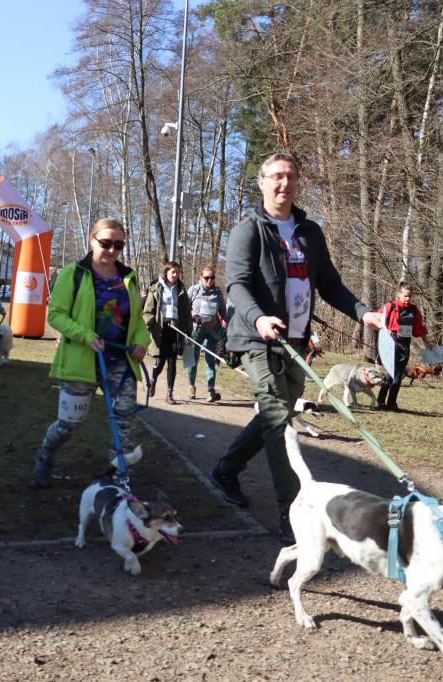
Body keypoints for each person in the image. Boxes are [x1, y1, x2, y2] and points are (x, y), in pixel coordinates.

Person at [207, 150, 383, 544]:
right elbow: (237, 285)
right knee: (277, 421)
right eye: (277, 176)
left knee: (278, 414)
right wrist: (259, 318)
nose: (284, 183)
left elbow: (330, 284)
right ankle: (293, 514)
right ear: (261, 182)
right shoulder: (249, 230)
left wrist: (363, 313)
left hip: (297, 342)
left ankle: (225, 470)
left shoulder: (309, 232)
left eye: (291, 176)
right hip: (257, 339)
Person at [29, 218, 150, 489]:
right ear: (92, 240)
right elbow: (56, 315)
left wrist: (142, 342)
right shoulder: (73, 273)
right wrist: (87, 336)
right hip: (80, 362)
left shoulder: (129, 277)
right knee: (68, 425)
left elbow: (138, 321)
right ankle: (44, 456)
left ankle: (118, 484)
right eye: (106, 243)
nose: (112, 250)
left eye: (118, 245)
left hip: (120, 363)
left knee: (125, 425)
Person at [377, 281, 435, 411]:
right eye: (406, 296)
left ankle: (388, 402)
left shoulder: (414, 310)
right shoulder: (390, 307)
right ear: (399, 294)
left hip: (405, 346)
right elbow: (377, 319)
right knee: (394, 374)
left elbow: (419, 328)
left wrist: (427, 342)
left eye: (410, 296)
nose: (408, 299)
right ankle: (384, 401)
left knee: (396, 374)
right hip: (391, 345)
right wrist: (387, 330)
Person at [142, 261, 192, 404]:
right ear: (166, 272)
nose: (175, 275)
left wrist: (188, 332)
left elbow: (186, 312)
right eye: (173, 272)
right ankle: (153, 380)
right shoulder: (156, 289)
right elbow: (148, 311)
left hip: (176, 330)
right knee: (160, 362)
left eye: (177, 272)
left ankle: (169, 394)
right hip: (160, 330)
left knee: (172, 361)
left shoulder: (181, 290)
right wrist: (147, 327)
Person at [186, 265, 228, 402]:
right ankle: (191, 386)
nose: (210, 280)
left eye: (212, 277)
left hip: (212, 330)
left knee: (210, 359)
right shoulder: (193, 290)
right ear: (201, 277)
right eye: (206, 278)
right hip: (196, 330)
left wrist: (226, 323)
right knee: (193, 360)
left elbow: (222, 311)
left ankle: (211, 390)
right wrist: (191, 315)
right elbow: (184, 309)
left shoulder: (218, 292)